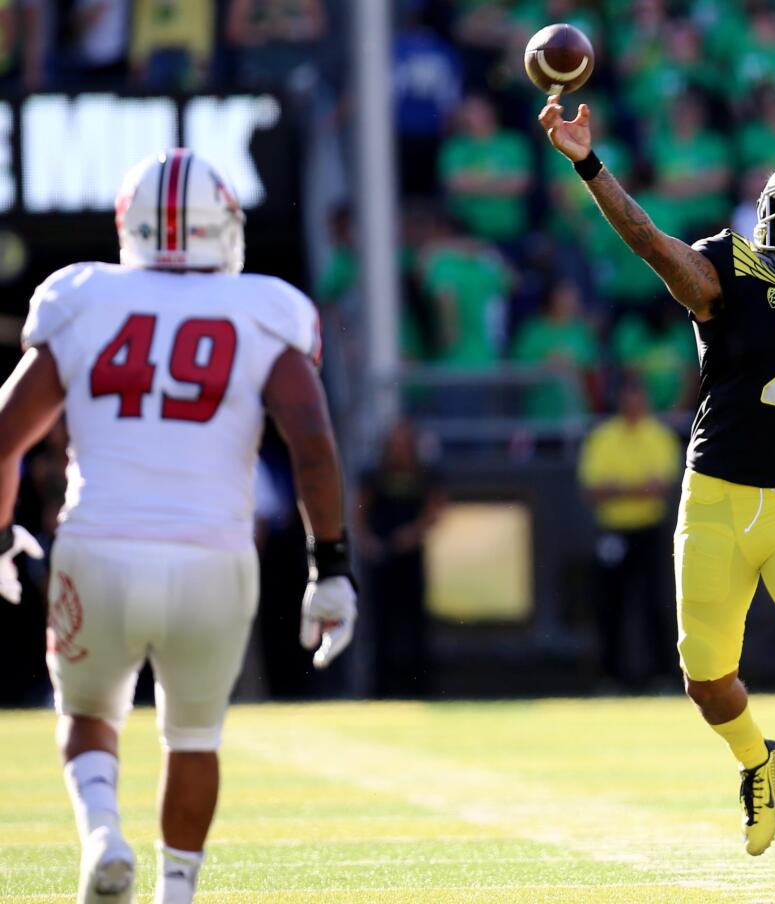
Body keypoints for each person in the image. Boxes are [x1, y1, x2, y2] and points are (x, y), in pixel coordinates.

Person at [539, 97, 775, 884]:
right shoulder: (731, 269)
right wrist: (588, 164)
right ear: (769, 215)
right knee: (705, 680)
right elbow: (649, 242)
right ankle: (756, 758)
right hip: (716, 496)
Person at [0, 149, 358, 904]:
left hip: (96, 544)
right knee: (193, 736)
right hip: (213, 559)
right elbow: (313, 441)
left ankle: (102, 832)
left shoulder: (83, 296)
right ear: (223, 227)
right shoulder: (265, 306)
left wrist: (2, 536)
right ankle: (177, 894)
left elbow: (7, 435)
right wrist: (330, 565)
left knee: (89, 714)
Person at [578, 374, 681, 690]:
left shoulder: (660, 435)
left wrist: (619, 488)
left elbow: (660, 487)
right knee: (610, 604)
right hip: (613, 531)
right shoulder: (603, 437)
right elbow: (594, 490)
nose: (633, 404)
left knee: (656, 602)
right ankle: (610, 677)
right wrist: (638, 488)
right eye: (627, 397)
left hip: (650, 530)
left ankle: (662, 676)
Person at [351, 417, 445, 698]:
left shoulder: (424, 474)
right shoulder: (375, 474)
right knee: (380, 628)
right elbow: (359, 513)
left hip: (411, 561)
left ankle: (420, 690)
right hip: (382, 562)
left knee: (416, 628)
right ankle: (379, 692)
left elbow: (435, 510)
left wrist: (411, 536)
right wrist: (369, 544)